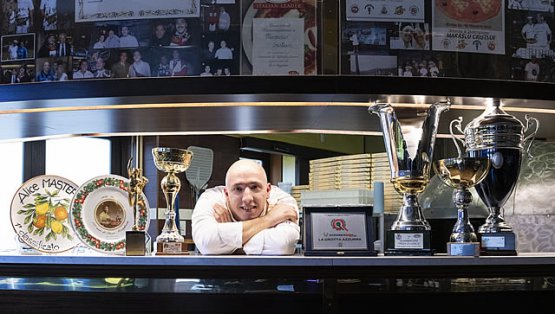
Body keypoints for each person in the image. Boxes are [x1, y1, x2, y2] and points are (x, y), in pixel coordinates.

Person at [192, 159, 300, 255]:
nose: (247, 199)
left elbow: (282, 245)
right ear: (226, 194)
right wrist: (269, 219)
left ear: (268, 191)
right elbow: (206, 243)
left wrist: (226, 243)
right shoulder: (210, 199)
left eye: (254, 187)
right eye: (238, 189)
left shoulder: (283, 202)